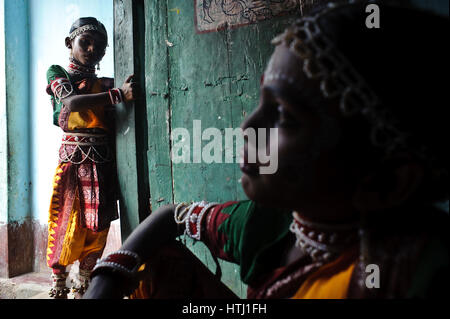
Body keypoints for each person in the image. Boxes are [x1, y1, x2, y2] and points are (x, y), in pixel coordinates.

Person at [84, 2, 448, 299]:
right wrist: (109, 275)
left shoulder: (413, 274)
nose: (248, 127)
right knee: (159, 261)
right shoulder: (275, 221)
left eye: (286, 116)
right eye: (262, 101)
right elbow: (173, 216)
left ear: (386, 182)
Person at [45, 17, 137, 298]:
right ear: (69, 43)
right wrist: (117, 94)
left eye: (99, 46)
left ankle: (84, 282)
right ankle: (58, 283)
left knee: (97, 225)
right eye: (85, 42)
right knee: (65, 220)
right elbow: (71, 102)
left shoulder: (103, 83)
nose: (91, 49)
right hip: (73, 161)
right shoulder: (57, 72)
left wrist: (118, 91)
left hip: (103, 161)